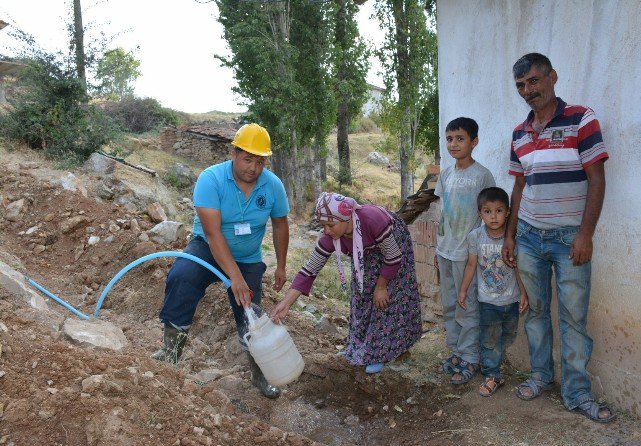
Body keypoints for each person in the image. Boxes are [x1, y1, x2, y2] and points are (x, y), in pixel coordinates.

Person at [502, 53, 615, 422]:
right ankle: (540, 376)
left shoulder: (581, 119)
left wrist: (585, 234)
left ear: (552, 77)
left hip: (570, 240)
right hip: (530, 237)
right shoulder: (520, 133)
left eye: (533, 81)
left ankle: (577, 392)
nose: (528, 90)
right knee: (535, 312)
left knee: (572, 317)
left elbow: (596, 179)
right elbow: (519, 187)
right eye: (521, 85)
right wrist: (510, 235)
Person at [152, 123, 290, 399]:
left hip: (248, 257)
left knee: (251, 312)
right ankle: (171, 352)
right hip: (207, 248)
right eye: (247, 159)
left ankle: (259, 373)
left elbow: (280, 224)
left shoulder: (273, 186)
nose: (253, 167)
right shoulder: (210, 179)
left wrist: (282, 265)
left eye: (259, 161)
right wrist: (234, 277)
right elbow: (213, 235)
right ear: (234, 153)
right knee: (183, 276)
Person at [270, 192, 422, 374]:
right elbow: (309, 269)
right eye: (323, 225)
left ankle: (382, 352)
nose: (326, 230)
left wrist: (381, 286)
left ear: (346, 218)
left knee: (388, 298)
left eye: (331, 225)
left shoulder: (373, 221)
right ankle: (358, 348)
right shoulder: (331, 237)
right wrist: (286, 303)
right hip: (366, 250)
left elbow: (393, 257)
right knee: (362, 293)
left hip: (393, 245)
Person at [435, 117, 495, 385]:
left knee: (466, 305)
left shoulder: (482, 175)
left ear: (474, 142)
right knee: (449, 303)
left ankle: (471, 357)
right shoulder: (446, 174)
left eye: (460, 139)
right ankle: (457, 352)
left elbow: (490, 214)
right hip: (444, 251)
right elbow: (442, 211)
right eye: (449, 139)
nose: (453, 144)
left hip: (466, 255)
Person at [457, 187, 528, 397]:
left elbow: (518, 268)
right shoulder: (475, 237)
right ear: (480, 214)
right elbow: (471, 265)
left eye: (498, 210)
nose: (493, 216)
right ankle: (492, 374)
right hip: (487, 301)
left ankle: (493, 363)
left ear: (507, 212)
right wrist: (463, 290)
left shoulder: (513, 238)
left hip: (511, 299)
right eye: (487, 211)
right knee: (489, 338)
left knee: (508, 334)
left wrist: (524, 293)